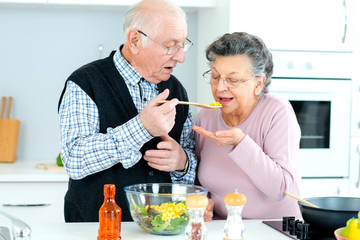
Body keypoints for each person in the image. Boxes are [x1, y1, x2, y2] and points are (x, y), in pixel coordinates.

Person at [58, 0, 196, 222]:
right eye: (170, 46)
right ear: (135, 40)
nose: (181, 57)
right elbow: (74, 159)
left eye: (183, 45)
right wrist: (142, 128)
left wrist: (183, 163)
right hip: (95, 228)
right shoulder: (85, 83)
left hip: (160, 229)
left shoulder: (176, 89)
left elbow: (190, 160)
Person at [193, 32, 302, 220]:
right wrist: (204, 202)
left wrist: (241, 143)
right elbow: (199, 184)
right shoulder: (206, 116)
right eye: (215, 76)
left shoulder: (277, 112)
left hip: (274, 230)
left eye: (233, 80)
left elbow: (280, 189)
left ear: (258, 83)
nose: (220, 88)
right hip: (223, 229)